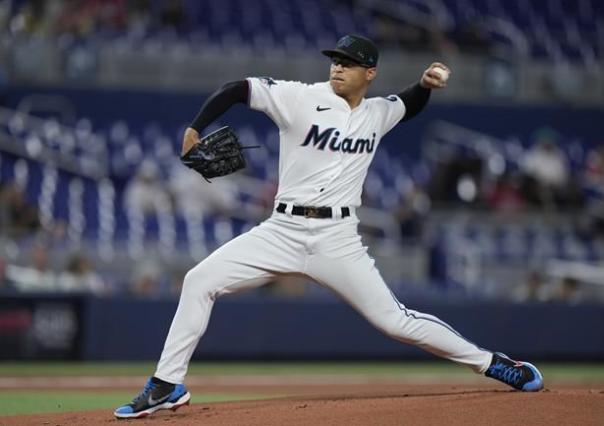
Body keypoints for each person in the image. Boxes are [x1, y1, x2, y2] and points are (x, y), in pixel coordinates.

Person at [114, 34, 543, 419]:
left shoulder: (378, 112)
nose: (337, 66)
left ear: (369, 73)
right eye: (335, 60)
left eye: (348, 62)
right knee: (199, 280)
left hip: (337, 239)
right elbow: (237, 89)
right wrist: (194, 128)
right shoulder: (301, 97)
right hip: (281, 230)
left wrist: (426, 85)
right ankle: (167, 384)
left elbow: (408, 104)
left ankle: (494, 364)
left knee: (396, 322)